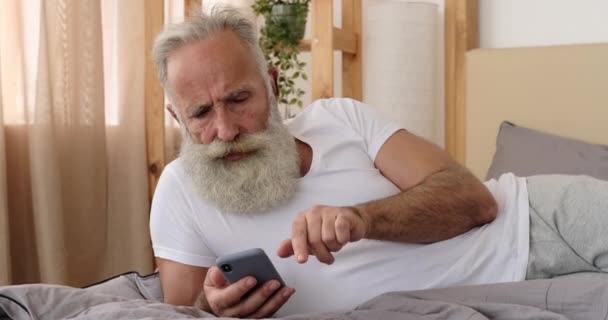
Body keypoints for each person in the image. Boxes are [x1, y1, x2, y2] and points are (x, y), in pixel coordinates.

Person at [149, 6, 608, 318]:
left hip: (540, 219)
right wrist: (215, 307)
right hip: (480, 297)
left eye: (239, 99)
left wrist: (361, 219)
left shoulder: (339, 117)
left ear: (271, 85)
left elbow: (473, 198)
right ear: (177, 115)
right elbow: (182, 306)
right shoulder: (178, 191)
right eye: (201, 113)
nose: (226, 130)